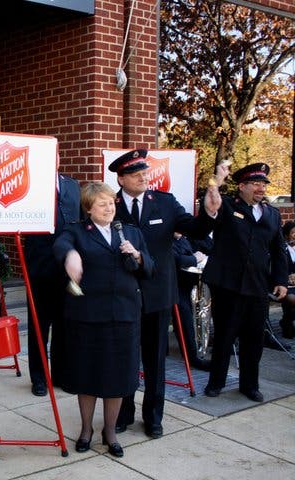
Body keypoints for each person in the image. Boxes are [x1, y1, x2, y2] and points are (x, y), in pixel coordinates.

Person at [110, 149, 223, 439]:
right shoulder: (108, 206)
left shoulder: (164, 202)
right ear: (121, 178)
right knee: (124, 358)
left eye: (145, 172)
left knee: (155, 359)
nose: (144, 178)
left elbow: (195, 229)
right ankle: (123, 413)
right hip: (122, 295)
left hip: (158, 294)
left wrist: (209, 212)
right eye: (136, 174)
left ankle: (153, 417)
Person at [53, 182, 154, 457]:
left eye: (111, 202)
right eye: (102, 204)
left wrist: (137, 255)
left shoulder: (130, 232)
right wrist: (71, 255)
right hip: (87, 316)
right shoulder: (76, 231)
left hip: (123, 316)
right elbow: (61, 245)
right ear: (88, 208)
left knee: (117, 377)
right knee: (87, 375)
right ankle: (86, 429)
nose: (109, 208)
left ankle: (110, 431)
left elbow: (150, 267)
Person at [202, 163, 288, 403]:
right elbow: (208, 203)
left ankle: (250, 385)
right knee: (224, 337)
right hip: (228, 285)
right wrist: (215, 180)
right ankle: (216, 382)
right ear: (241, 186)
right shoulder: (228, 206)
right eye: (255, 184)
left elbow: (278, 249)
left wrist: (280, 280)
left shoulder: (272, 214)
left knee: (254, 339)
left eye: (263, 184)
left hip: (258, 286)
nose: (261, 188)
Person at [23, 173, 81, 396]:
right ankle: (39, 377)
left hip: (66, 266)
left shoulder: (72, 184)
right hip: (40, 266)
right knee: (39, 325)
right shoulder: (31, 185)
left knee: (64, 324)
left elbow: (79, 218)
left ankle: (60, 374)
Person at [172, 232, 213, 371]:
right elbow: (177, 260)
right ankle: (192, 356)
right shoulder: (166, 240)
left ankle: (200, 348)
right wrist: (195, 258)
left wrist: (195, 256)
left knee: (198, 318)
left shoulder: (184, 239)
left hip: (191, 286)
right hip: (175, 288)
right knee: (186, 321)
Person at [278, 220, 295, 339]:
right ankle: (287, 322)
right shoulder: (282, 248)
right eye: (293, 232)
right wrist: (287, 277)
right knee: (292, 299)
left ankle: (287, 323)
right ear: (286, 234)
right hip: (285, 284)